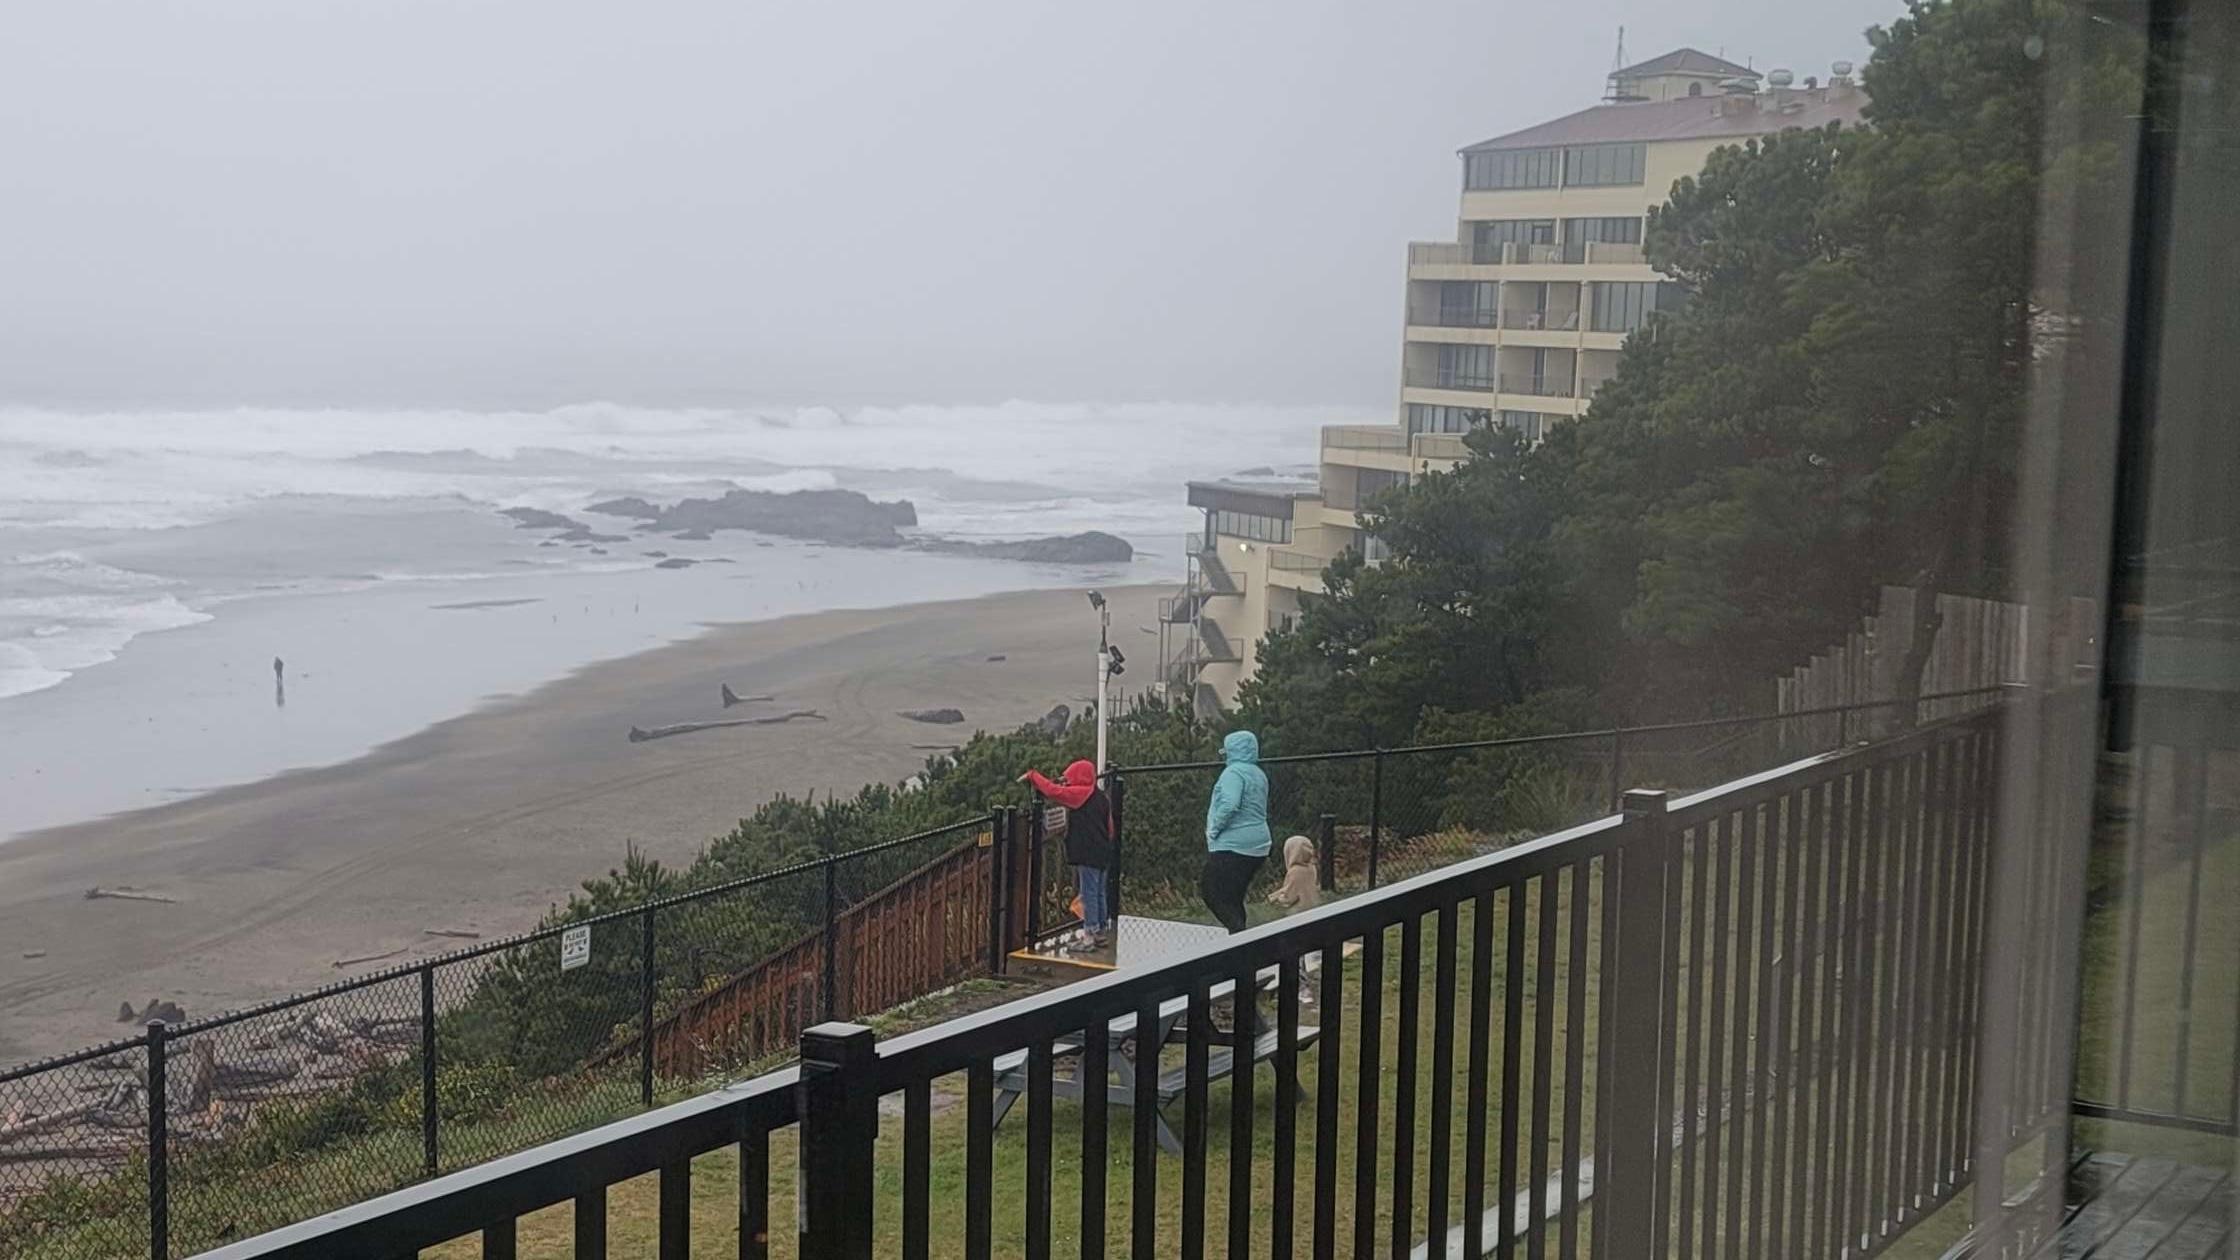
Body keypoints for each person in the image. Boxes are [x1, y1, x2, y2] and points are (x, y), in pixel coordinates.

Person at [1018, 759, 1114, 946]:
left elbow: (1054, 792)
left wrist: (1033, 776)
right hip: (1103, 850)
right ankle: (1100, 931)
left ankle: (1090, 933)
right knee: (1099, 892)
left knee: (1089, 893)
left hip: (1088, 851)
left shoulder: (1080, 794)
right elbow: (1110, 828)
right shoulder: (1101, 796)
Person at [1201, 730, 1272, 933]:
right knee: (1233, 896)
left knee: (1211, 890)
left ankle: (1241, 938)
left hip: (1233, 844)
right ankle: (1238, 941)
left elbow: (1230, 804)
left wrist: (1214, 828)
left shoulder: (1233, 773)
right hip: (1258, 845)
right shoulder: (1258, 774)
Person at [1267, 834, 1321, 1004]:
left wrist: (1278, 899)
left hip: (1296, 916)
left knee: (1292, 953)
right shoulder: (1311, 869)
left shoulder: (1294, 872)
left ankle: (1300, 988)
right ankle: (1298, 985)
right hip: (1310, 913)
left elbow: (1289, 896)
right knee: (1301, 952)